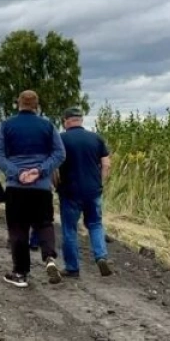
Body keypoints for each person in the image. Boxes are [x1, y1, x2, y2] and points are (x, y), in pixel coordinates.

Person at [0, 90, 66, 287]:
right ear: (37, 105)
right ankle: (49, 257)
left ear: (19, 104)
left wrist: (17, 173)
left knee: (18, 229)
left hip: (16, 187)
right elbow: (60, 154)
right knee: (45, 223)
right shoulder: (48, 126)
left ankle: (20, 273)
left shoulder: (6, 126)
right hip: (41, 187)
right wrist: (40, 170)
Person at [57, 107, 113, 278]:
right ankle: (101, 256)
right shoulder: (96, 138)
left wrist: (56, 185)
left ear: (66, 121)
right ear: (80, 120)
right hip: (92, 190)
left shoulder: (60, 139)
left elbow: (54, 168)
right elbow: (106, 164)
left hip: (69, 191)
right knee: (95, 224)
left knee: (69, 229)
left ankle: (72, 268)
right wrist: (100, 183)